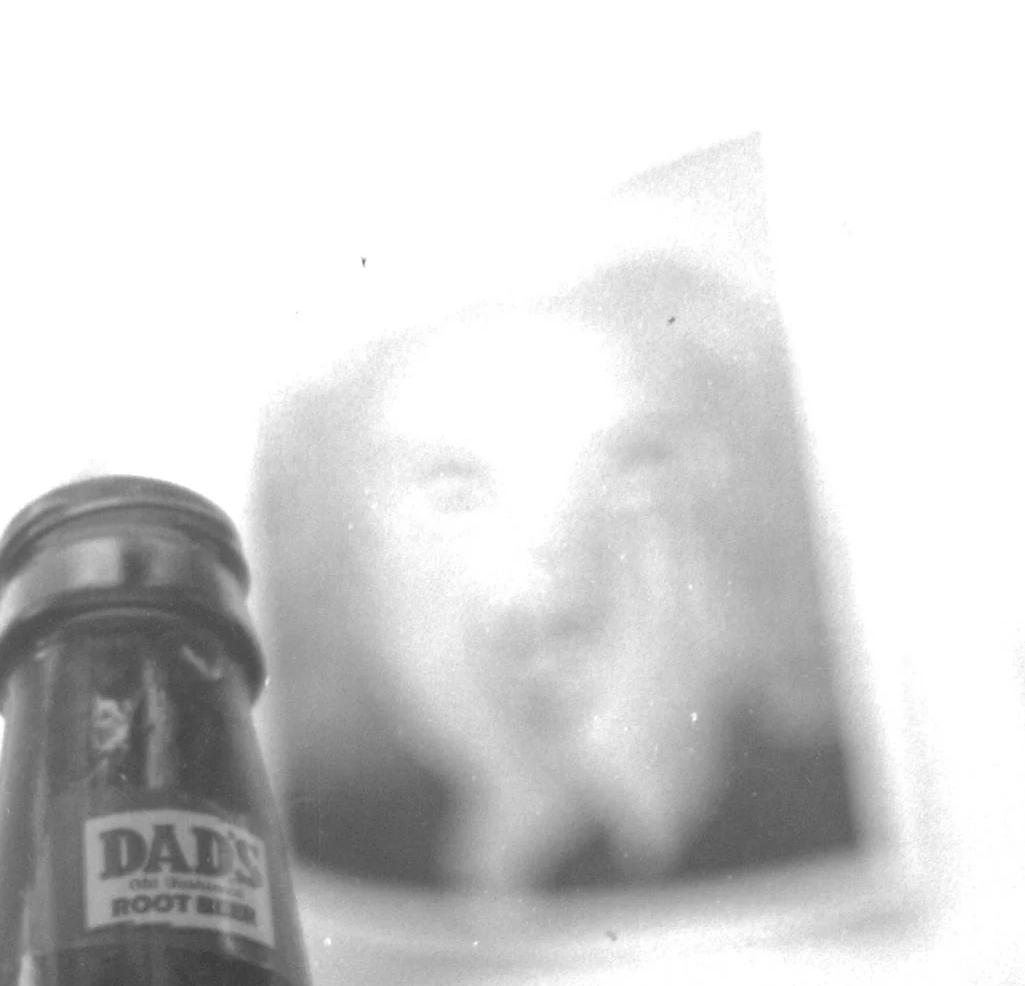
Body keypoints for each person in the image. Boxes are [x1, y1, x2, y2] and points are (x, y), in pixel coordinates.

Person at [256, 249, 862, 902]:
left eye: (635, 467)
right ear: (346, 568)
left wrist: (658, 808)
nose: (551, 552)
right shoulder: (329, 846)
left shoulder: (837, 802)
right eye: (452, 487)